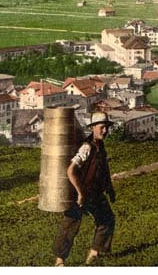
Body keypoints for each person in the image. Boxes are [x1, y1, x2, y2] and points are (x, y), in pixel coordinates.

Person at [53, 112, 117, 266]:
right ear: (93, 128)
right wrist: (80, 193)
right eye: (102, 127)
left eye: (107, 128)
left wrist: (109, 188)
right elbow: (71, 170)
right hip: (80, 194)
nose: (105, 131)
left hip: (95, 193)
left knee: (107, 219)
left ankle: (94, 254)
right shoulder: (86, 147)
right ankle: (59, 262)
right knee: (70, 225)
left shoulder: (100, 146)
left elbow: (103, 168)